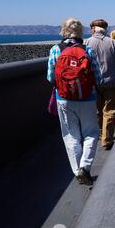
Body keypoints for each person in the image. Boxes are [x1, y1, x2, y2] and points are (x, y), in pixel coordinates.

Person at [47, 18, 103, 186]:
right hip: (87, 98)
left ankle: (77, 170)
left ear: (64, 31)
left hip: (64, 99)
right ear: (81, 32)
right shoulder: (88, 50)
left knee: (71, 135)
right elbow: (98, 78)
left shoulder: (56, 50)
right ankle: (85, 167)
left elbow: (50, 77)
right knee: (91, 132)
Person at [85, 19, 115, 150]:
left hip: (93, 84)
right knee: (110, 111)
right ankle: (107, 139)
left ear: (93, 29)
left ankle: (100, 133)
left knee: (97, 111)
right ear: (105, 29)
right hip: (111, 83)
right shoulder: (113, 43)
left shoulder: (86, 43)